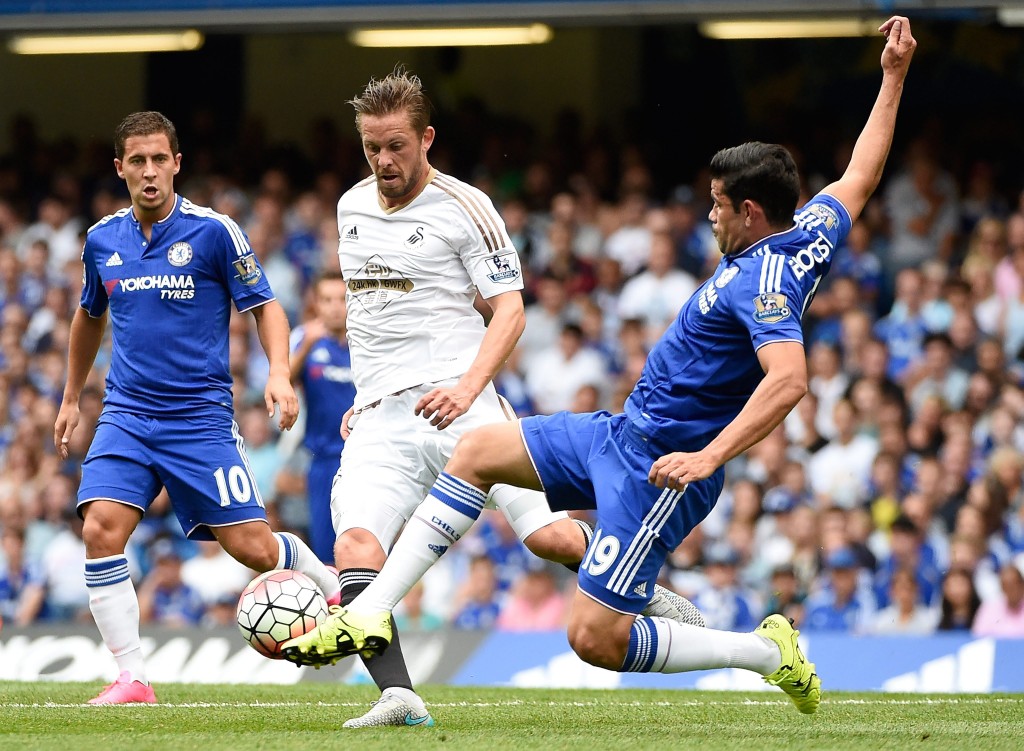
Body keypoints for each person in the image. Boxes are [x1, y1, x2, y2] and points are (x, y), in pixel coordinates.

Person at [284, 18, 917, 716]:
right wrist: (892, 76)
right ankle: (371, 610)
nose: (706, 217)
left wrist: (708, 457)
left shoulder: (763, 284)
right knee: (477, 452)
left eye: (715, 205)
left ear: (749, 211)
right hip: (620, 431)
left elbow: (790, 379)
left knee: (592, 637)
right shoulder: (809, 231)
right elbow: (860, 175)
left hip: (660, 468)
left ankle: (765, 652)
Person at [299, 68, 700, 730]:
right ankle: (399, 697)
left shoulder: (466, 207)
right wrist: (368, 392)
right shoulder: (350, 208)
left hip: (464, 404)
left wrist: (466, 388)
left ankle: (640, 585)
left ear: (427, 138)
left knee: (547, 536)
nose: (384, 160)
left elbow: (510, 311)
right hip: (381, 419)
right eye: (372, 147)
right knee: (357, 546)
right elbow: (371, 315)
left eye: (396, 145)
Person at [52, 111, 341, 706]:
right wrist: (70, 396)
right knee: (101, 528)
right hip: (127, 414)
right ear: (120, 168)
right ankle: (133, 678)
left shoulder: (214, 232)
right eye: (137, 161)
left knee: (254, 548)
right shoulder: (102, 239)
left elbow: (266, 306)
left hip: (198, 420)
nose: (149, 171)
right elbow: (88, 315)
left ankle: (327, 580)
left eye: (160, 159)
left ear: (177, 163)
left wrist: (279, 374)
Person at [288, 270, 356, 562]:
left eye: (342, 299)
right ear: (315, 303)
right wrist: (306, 347)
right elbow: (281, 384)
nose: (335, 307)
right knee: (326, 550)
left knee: (365, 544)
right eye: (327, 300)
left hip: (365, 458)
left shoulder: (367, 341)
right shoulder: (304, 339)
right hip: (323, 460)